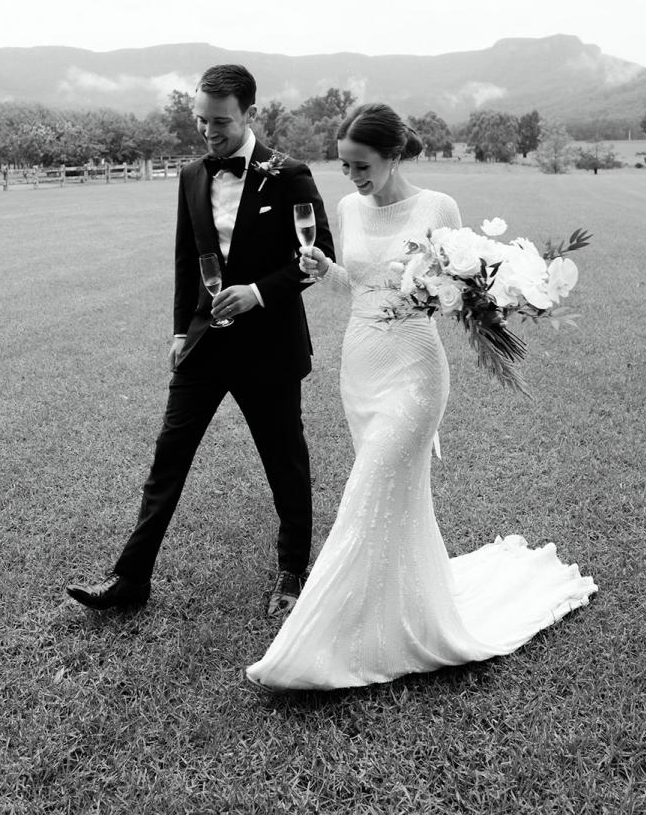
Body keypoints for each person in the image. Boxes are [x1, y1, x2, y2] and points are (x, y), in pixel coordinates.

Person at [246, 103, 596, 690]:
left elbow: (455, 293)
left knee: (365, 491)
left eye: (361, 165)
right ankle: (396, 607)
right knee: (393, 498)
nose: (353, 177)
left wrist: (483, 295)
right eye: (344, 166)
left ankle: (316, 642)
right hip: (360, 367)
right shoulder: (347, 207)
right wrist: (322, 266)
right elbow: (355, 284)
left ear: (392, 156)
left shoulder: (438, 208)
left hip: (415, 368)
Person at [67, 64, 335, 617]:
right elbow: (186, 259)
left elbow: (316, 258)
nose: (207, 132)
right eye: (199, 120)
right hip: (203, 344)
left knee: (285, 462)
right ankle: (130, 579)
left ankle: (291, 574)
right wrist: (177, 330)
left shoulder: (289, 174)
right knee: (168, 460)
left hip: (269, 348)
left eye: (220, 122)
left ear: (250, 115)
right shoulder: (192, 174)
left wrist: (258, 293)